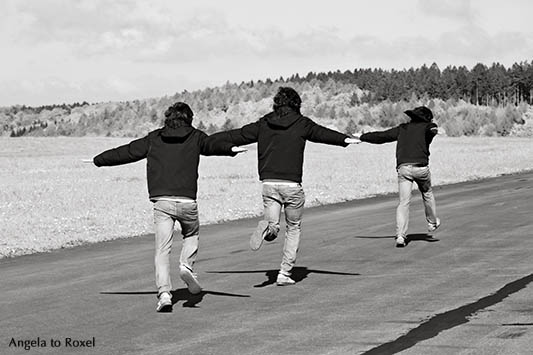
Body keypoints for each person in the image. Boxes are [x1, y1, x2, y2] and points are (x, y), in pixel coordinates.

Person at [91, 102, 245, 312]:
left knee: (162, 250)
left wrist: (99, 160)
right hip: (187, 201)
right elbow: (212, 144)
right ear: (188, 119)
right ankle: (186, 265)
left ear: (168, 118)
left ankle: (164, 293)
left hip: (161, 202)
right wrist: (231, 149)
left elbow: (127, 152)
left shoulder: (154, 138)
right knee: (191, 234)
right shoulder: (196, 136)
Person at [211, 87, 360, 286]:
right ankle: (284, 273)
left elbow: (237, 134)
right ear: (296, 104)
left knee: (274, 225)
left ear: (276, 104)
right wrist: (345, 139)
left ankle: (268, 229)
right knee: (293, 228)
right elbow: (322, 134)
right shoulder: (302, 123)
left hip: (269, 184)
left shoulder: (264, 123)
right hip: (291, 186)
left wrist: (206, 140)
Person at [357, 106, 441, 248]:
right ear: (427, 119)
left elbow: (381, 136)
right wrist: (432, 128)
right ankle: (432, 222)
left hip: (404, 169)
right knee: (427, 193)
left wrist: (363, 137)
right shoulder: (428, 127)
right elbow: (432, 129)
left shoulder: (402, 129)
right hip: (421, 168)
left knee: (403, 202)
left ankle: (401, 235)